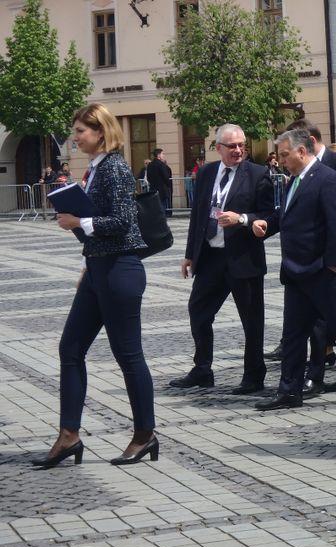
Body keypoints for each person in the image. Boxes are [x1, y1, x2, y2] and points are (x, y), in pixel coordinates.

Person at [33, 103, 157, 468]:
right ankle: (69, 435)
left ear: (100, 132)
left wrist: (81, 221)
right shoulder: (95, 169)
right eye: (75, 131)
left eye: (81, 132)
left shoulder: (115, 167)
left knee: (128, 356)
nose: (76, 137)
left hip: (121, 271)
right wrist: (77, 227)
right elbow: (96, 227)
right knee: (70, 348)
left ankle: (145, 434)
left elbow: (122, 221)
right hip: (99, 269)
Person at [250, 129, 336, 412]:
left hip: (323, 272)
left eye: (286, 155)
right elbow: (285, 215)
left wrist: (334, 265)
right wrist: (266, 224)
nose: (281, 160)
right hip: (297, 272)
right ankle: (289, 390)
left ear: (302, 151)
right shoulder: (294, 180)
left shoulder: (327, 179)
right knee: (293, 334)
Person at [170, 124, 274, 394]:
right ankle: (202, 369)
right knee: (198, 312)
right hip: (211, 258)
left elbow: (269, 214)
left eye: (242, 145)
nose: (238, 150)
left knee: (252, 320)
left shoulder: (258, 174)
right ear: (218, 148)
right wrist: (190, 254)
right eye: (232, 146)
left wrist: (242, 219)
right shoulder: (206, 173)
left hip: (243, 257)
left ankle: (253, 376)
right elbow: (198, 215)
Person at [146, 148, 173, 216]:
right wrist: (168, 185)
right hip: (162, 190)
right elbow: (166, 177)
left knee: (155, 209)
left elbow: (148, 177)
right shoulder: (161, 164)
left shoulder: (150, 165)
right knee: (162, 208)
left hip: (153, 189)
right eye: (162, 154)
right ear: (158, 155)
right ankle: (162, 224)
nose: (164, 155)